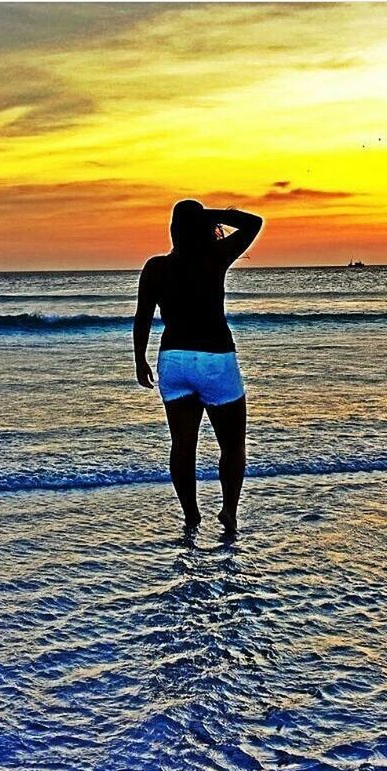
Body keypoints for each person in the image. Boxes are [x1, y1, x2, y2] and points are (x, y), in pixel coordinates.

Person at [133, 199, 263, 532]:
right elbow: (254, 223)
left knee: (182, 445)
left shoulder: (156, 268)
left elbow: (143, 317)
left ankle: (191, 515)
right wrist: (212, 215)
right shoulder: (215, 257)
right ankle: (229, 511)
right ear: (204, 227)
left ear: (173, 229)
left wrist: (140, 359)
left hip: (174, 361)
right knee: (232, 444)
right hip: (216, 358)